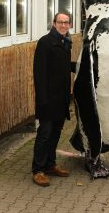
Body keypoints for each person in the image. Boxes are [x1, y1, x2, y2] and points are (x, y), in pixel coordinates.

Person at [32, 12, 75, 187]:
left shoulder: (66, 43)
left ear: (70, 24)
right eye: (60, 22)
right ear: (54, 23)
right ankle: (38, 170)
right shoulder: (45, 43)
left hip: (61, 99)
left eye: (66, 22)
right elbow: (39, 73)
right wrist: (42, 101)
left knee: (56, 133)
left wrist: (81, 66)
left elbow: (64, 67)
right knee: (45, 134)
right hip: (48, 100)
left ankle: (50, 165)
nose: (63, 25)